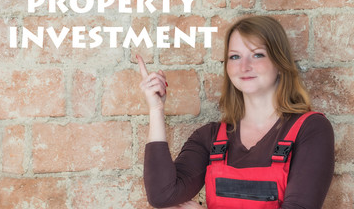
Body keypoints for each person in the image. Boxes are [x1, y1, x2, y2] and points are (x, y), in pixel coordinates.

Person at [138, 15, 334, 209]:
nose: (244, 66)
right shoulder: (210, 138)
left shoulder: (311, 129)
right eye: (235, 57)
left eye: (257, 54)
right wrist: (156, 109)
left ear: (280, 63)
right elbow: (162, 196)